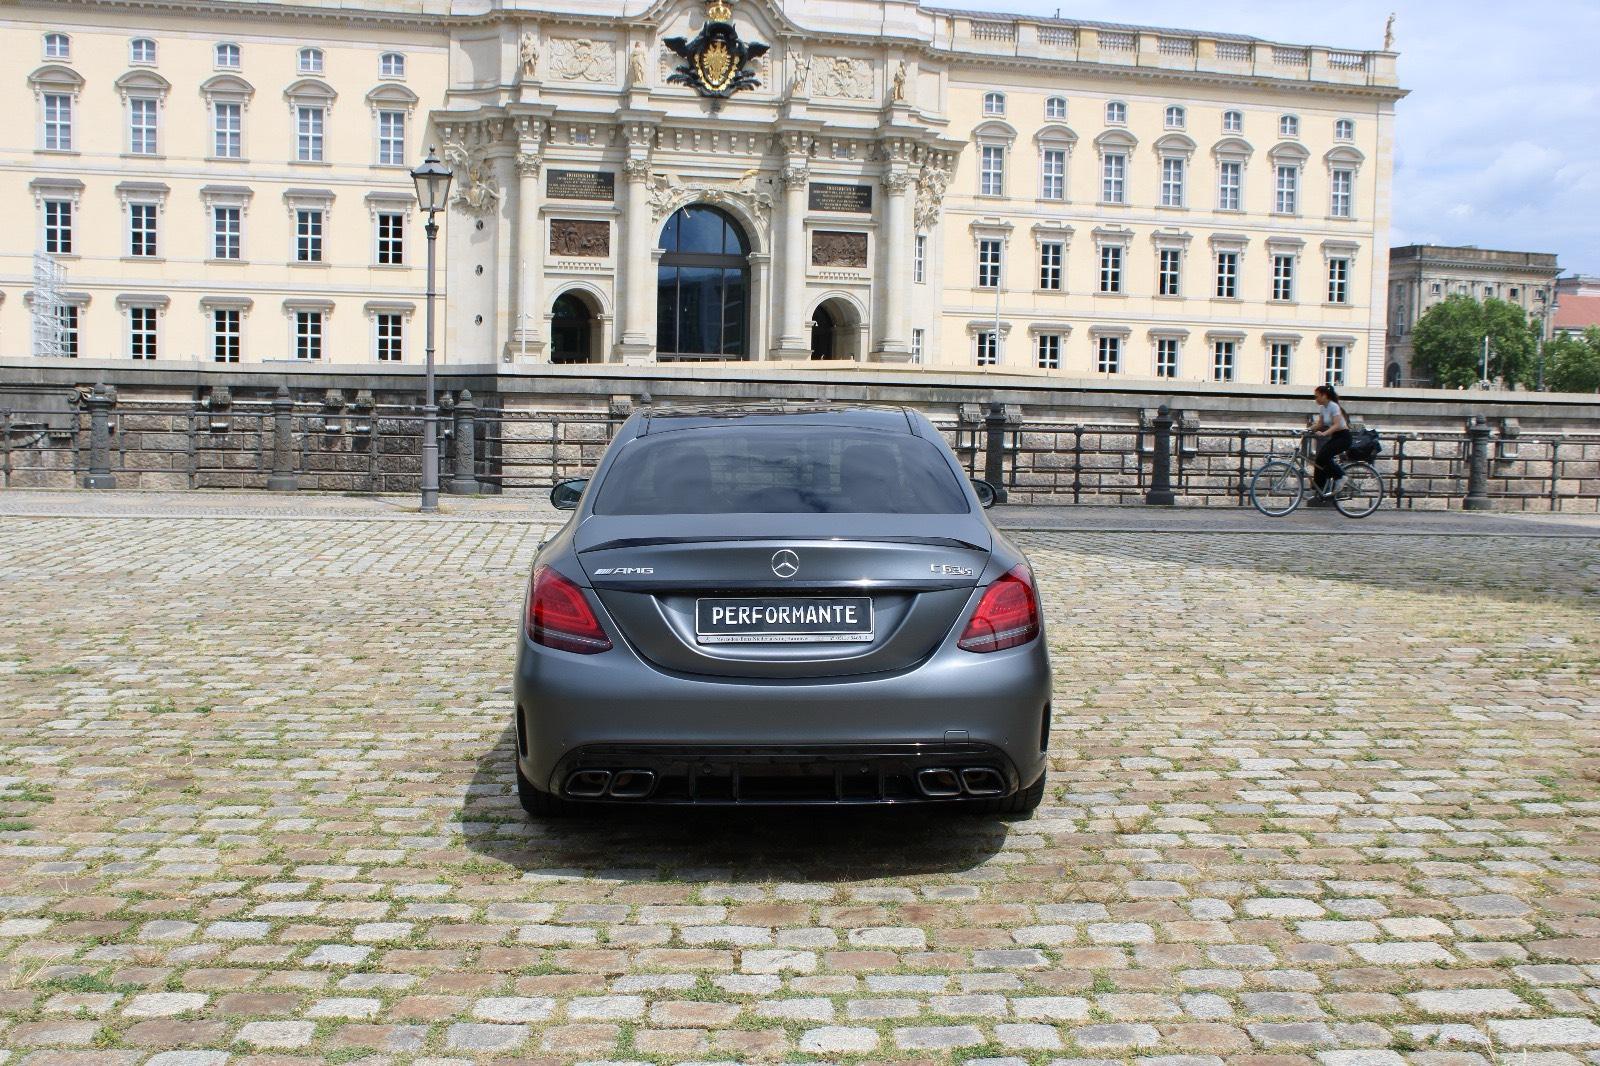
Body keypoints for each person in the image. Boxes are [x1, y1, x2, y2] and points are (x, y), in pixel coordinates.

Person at [1309, 384, 1350, 501]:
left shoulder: (1334, 406)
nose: (1316, 399)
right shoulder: (1323, 408)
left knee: (1325, 456)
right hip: (1335, 437)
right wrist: (1308, 429)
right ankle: (1319, 490)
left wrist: (1324, 433)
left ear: (1324, 396)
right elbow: (1320, 424)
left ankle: (1341, 477)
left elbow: (1337, 425)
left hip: (1344, 437)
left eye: (1317, 396)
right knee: (1319, 460)